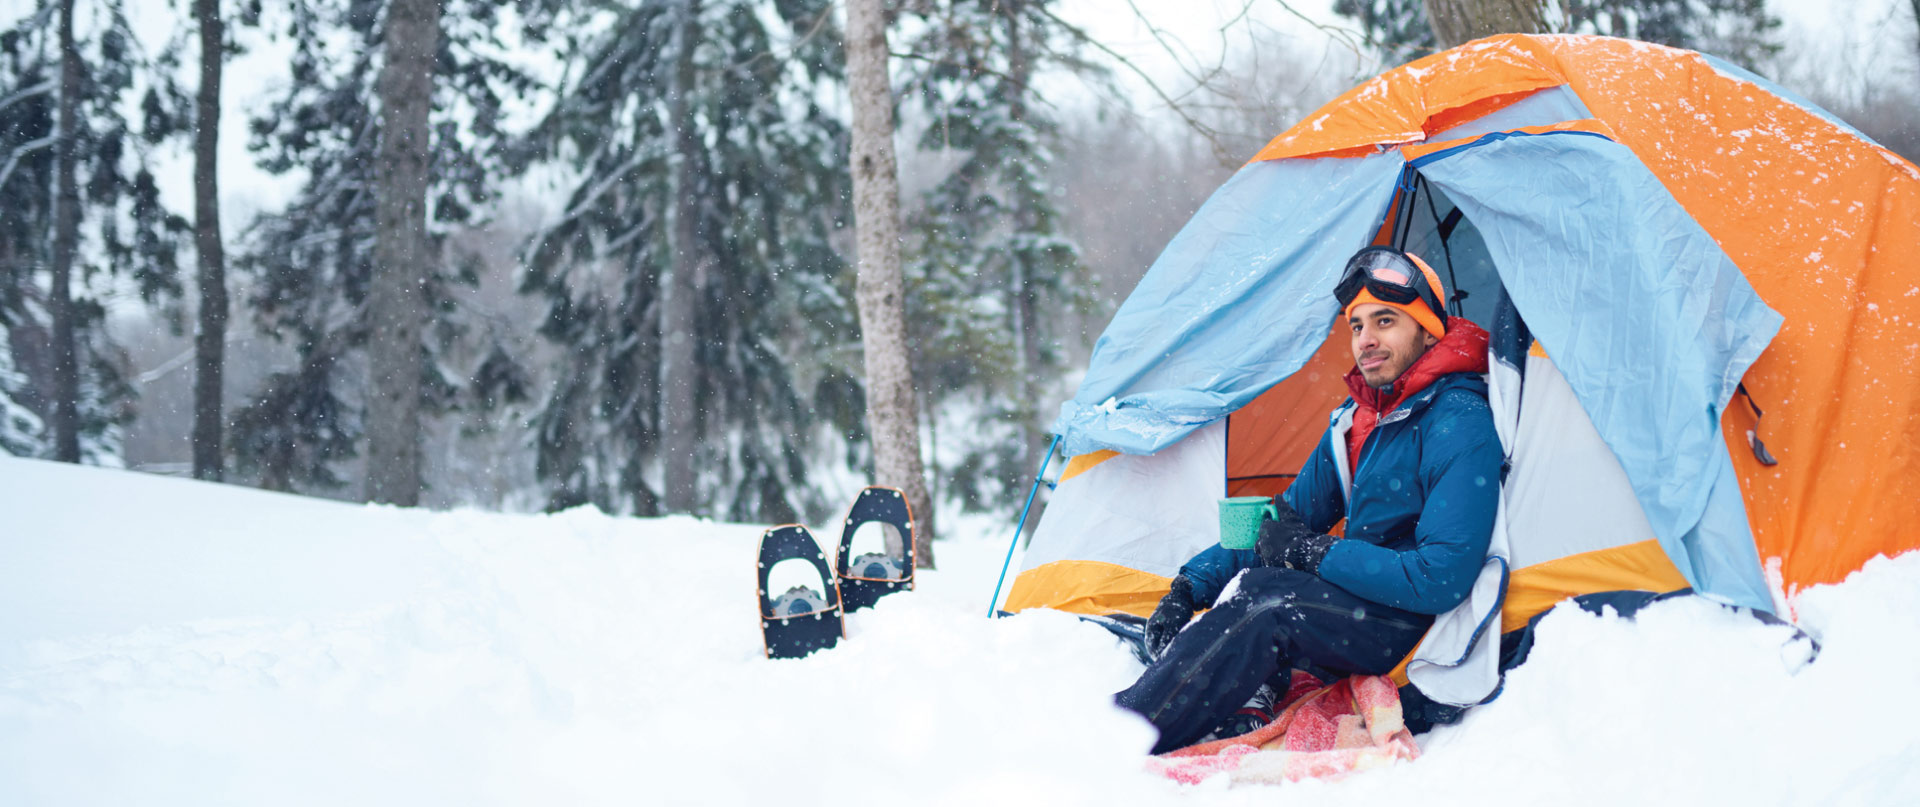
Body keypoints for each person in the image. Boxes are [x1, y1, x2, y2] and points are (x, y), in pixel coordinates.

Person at [1114, 246, 1502, 754]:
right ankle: (1210, 696)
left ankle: (1123, 733)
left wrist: (1317, 554)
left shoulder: (1457, 420)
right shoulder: (1359, 419)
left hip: (1418, 623)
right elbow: (1281, 527)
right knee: (1259, 580)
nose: (1367, 340)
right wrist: (1190, 584)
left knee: (1269, 602)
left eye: (1385, 321)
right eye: (1357, 325)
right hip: (1367, 601)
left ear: (1427, 330)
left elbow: (1441, 578)